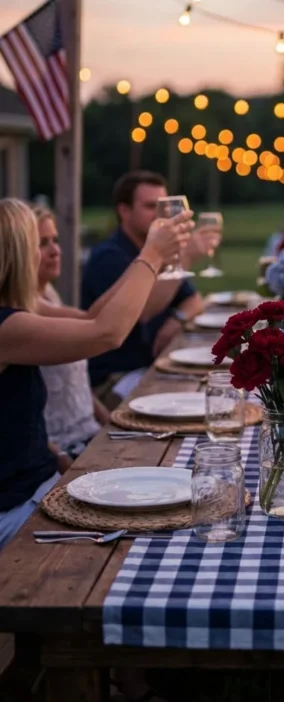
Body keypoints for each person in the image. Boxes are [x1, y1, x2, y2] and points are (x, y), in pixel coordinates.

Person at [0, 197, 192, 549]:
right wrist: (151, 255)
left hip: (41, 481)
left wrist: (57, 456)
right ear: (17, 254)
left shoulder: (20, 309)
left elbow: (91, 320)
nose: (45, 253)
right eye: (36, 244)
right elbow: (107, 333)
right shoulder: (6, 328)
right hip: (15, 510)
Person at [82, 171, 218, 402]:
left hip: (153, 365)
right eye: (150, 206)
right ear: (124, 211)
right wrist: (184, 258)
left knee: (214, 384)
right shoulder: (109, 257)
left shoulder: (160, 253)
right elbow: (142, 311)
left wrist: (177, 318)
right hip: (114, 379)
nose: (160, 215)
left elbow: (193, 299)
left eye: (163, 206)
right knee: (199, 396)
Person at [34, 206, 109, 460]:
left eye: (55, 240)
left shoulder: (50, 295)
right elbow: (97, 323)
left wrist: (108, 420)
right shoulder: (27, 308)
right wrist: (150, 260)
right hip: (65, 450)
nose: (55, 251)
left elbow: (75, 383)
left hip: (90, 435)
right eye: (42, 243)